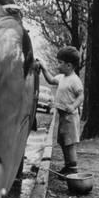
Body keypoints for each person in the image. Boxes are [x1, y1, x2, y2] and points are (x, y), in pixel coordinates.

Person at [38, 46, 84, 175]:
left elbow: (81, 96)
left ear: (69, 65)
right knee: (64, 142)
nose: (58, 65)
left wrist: (73, 106)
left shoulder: (75, 80)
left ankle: (73, 168)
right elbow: (51, 80)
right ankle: (68, 166)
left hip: (70, 117)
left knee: (69, 143)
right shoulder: (62, 77)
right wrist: (43, 68)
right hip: (63, 117)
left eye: (60, 63)